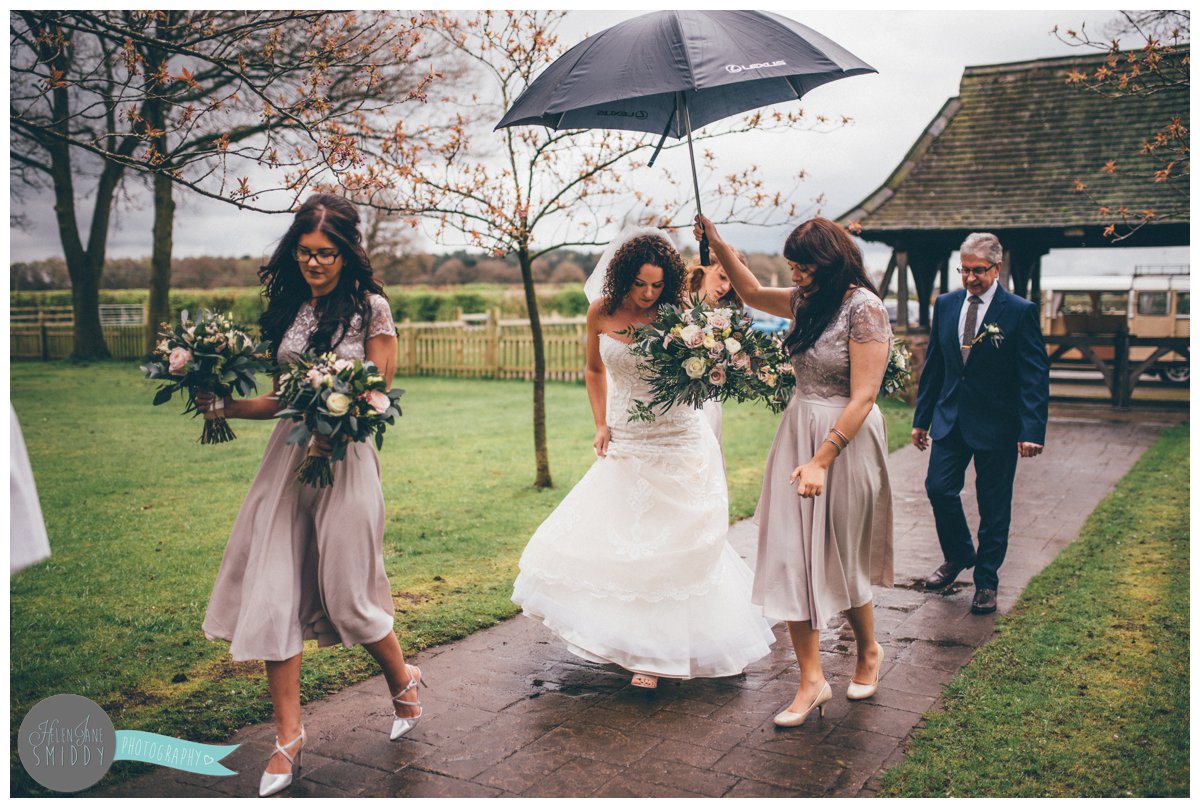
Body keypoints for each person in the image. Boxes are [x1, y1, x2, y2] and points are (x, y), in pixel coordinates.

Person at [197, 194, 419, 797]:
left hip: (344, 460)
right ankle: (288, 739)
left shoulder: (371, 309)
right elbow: (282, 397)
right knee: (273, 592)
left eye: (324, 253)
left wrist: (331, 429)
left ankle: (403, 682)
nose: (314, 263)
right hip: (288, 461)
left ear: (347, 253)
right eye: (304, 252)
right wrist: (227, 406)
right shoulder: (293, 307)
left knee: (350, 596)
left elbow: (376, 396)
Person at [513, 230, 774, 690]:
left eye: (657, 285)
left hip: (678, 440)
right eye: (640, 285)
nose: (649, 294)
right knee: (626, 543)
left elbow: (717, 351)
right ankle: (630, 643)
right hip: (628, 438)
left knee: (671, 547)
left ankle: (654, 658)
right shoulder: (600, 312)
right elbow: (594, 369)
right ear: (623, 277)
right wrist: (600, 423)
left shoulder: (680, 317)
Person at [695, 214, 894, 727]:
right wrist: (717, 243)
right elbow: (755, 292)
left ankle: (868, 651)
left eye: (803, 268)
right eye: (793, 268)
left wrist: (822, 459)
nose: (796, 277)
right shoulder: (808, 300)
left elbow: (865, 395)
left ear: (829, 264)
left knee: (839, 557)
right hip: (797, 429)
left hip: (846, 441)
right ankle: (812, 680)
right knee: (789, 553)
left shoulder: (864, 309)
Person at [911, 232, 1049, 615]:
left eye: (978, 271)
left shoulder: (1020, 311)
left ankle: (986, 581)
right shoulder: (947, 304)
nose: (970, 278)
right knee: (938, 488)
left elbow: (1035, 375)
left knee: (994, 507)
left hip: (998, 425)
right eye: (965, 270)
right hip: (950, 420)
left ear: (996, 268)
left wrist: (1031, 430)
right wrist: (921, 419)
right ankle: (958, 554)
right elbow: (936, 367)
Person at [684, 255, 743, 448]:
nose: (726, 288)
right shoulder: (675, 305)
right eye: (723, 277)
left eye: (732, 283)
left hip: (711, 404)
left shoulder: (725, 318)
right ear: (706, 267)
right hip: (680, 405)